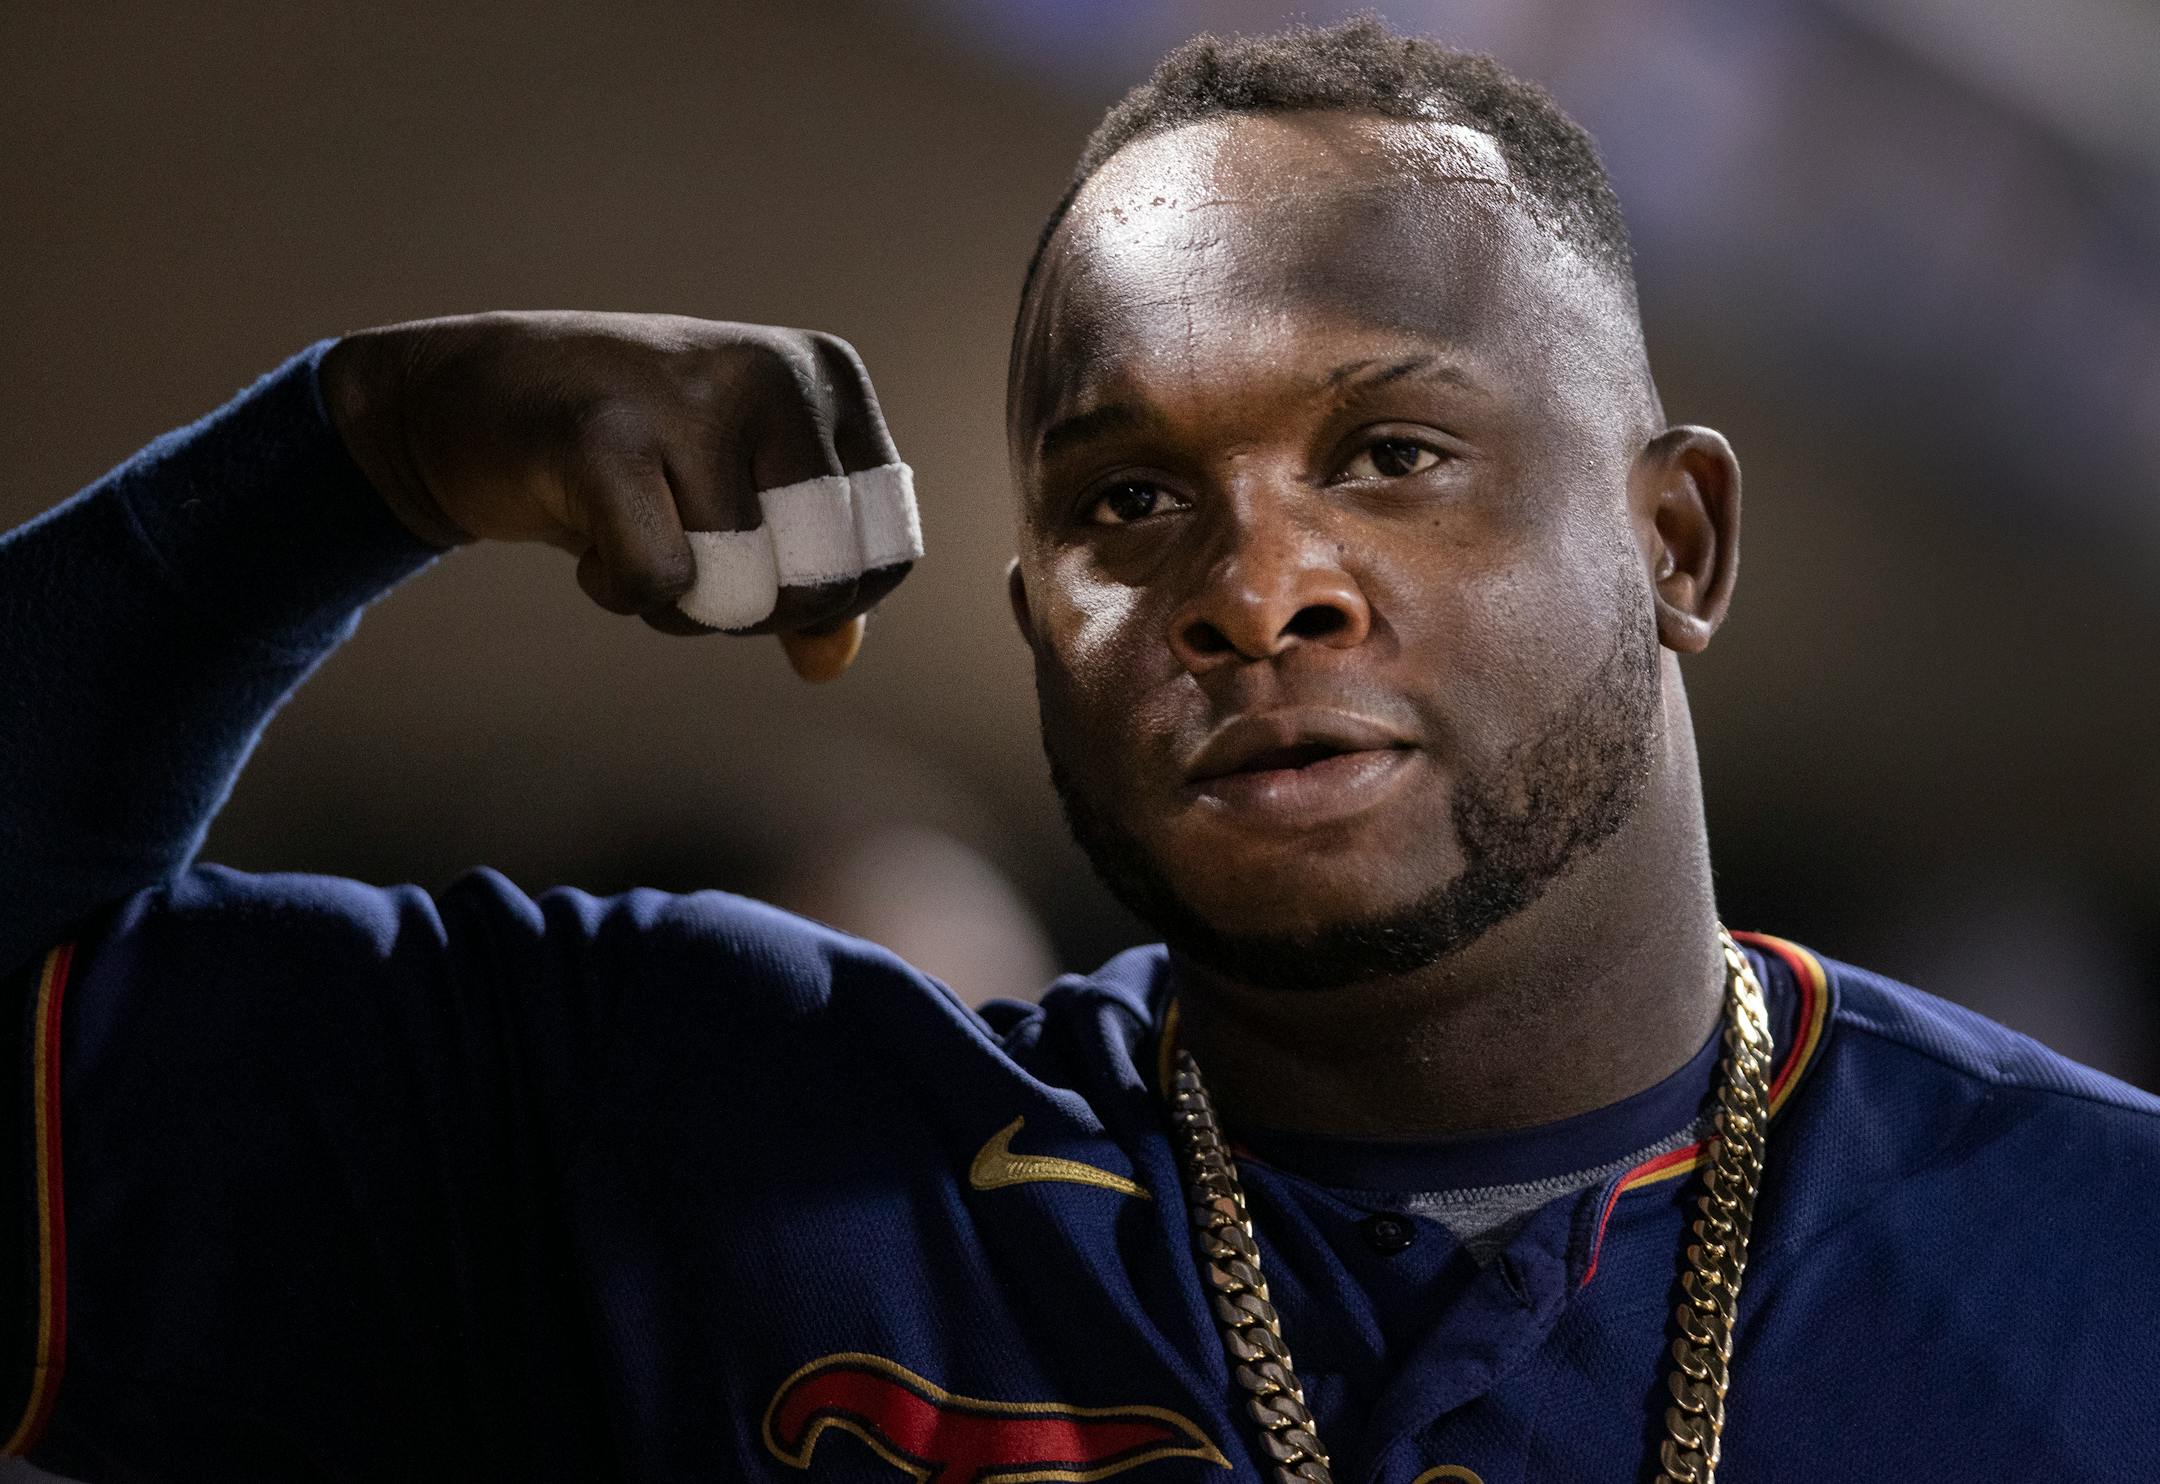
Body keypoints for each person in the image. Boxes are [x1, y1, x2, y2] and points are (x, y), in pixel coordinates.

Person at [3, 18, 2155, 1483]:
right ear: (1038, 625)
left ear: (1675, 537)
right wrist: (349, 455)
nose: (1256, 580)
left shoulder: (2101, 1252)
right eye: (1130, 501)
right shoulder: (695, 1136)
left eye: (1392, 452)